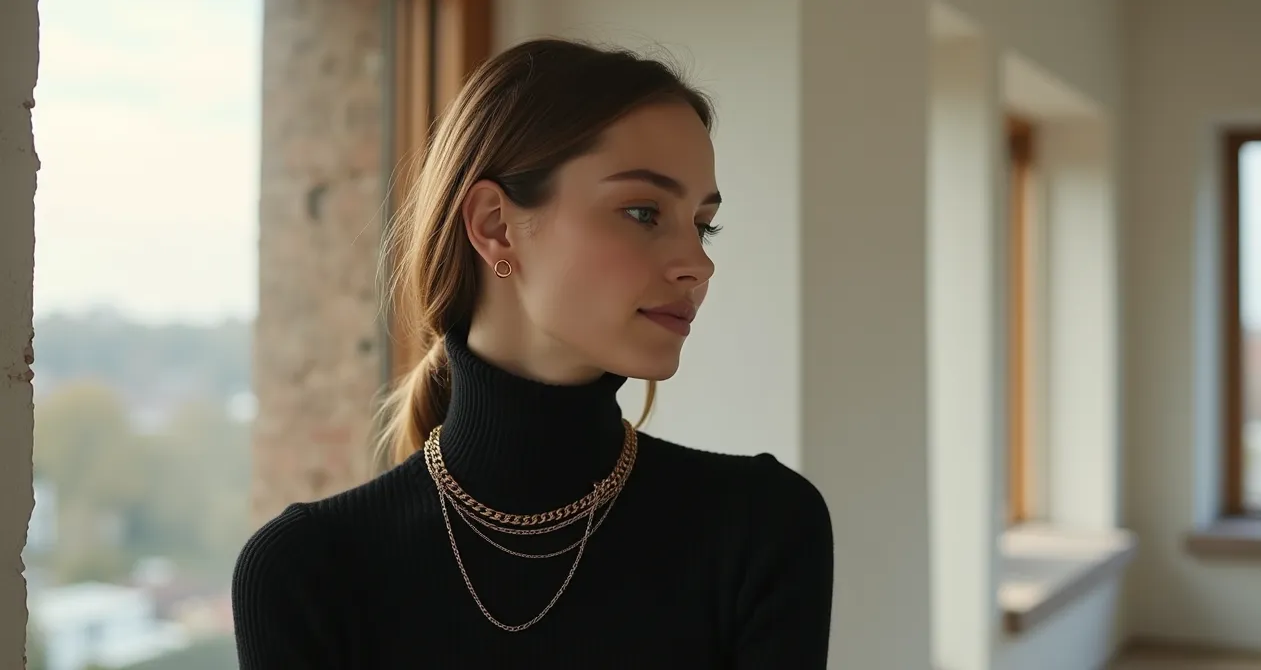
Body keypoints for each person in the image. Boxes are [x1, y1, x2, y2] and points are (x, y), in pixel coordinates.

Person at [231, 37, 834, 669]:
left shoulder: (761, 528)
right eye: (642, 211)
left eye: (701, 223)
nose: (697, 263)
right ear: (494, 224)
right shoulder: (306, 573)